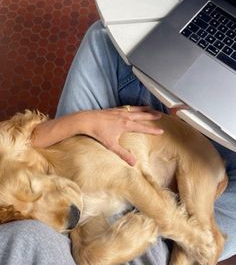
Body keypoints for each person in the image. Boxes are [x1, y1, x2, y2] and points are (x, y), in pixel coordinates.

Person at [0, 20, 235, 264]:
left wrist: (83, 121)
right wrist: (187, 234)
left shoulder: (68, 175)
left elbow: (15, 141)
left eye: (31, 186)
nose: (64, 217)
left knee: (102, 36)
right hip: (166, 189)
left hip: (166, 158)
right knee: (200, 231)